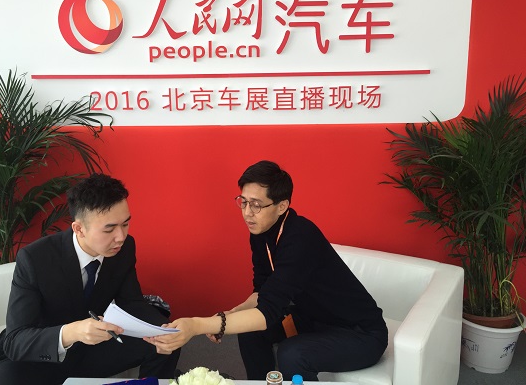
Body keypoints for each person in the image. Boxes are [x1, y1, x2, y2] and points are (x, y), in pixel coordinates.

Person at [151, 160, 388, 381]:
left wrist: (197, 325)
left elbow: (267, 312)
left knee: (292, 354)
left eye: (256, 205)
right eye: (243, 202)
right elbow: (262, 293)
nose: (247, 212)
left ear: (282, 206)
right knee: (250, 332)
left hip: (360, 334)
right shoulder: (261, 233)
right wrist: (229, 315)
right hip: (313, 319)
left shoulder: (300, 237)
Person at [0, 173, 180, 385]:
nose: (121, 237)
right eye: (109, 229)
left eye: (125, 224)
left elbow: (132, 303)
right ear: (78, 229)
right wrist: (72, 332)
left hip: (94, 346)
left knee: (167, 343)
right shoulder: (35, 259)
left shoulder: (123, 248)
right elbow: (16, 341)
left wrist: (162, 329)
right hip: (40, 352)